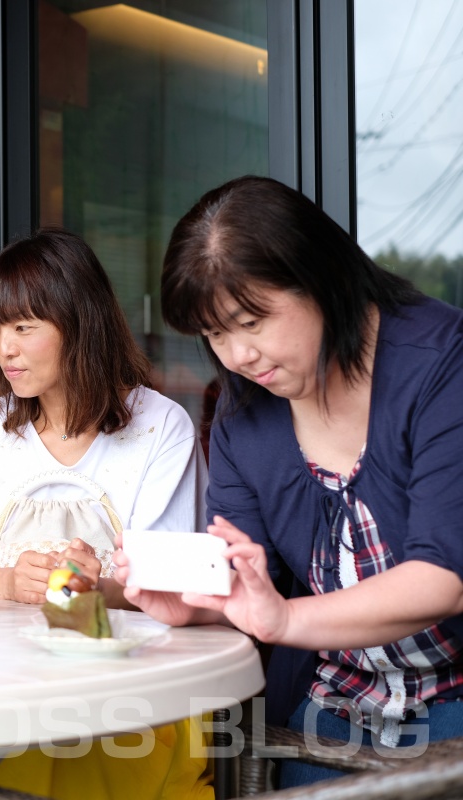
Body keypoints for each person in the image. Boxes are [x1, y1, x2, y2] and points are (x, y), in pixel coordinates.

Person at [118, 174, 463, 788]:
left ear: (321, 279)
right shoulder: (242, 417)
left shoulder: (441, 364)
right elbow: (257, 586)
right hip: (325, 714)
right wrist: (195, 606)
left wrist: (283, 622)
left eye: (252, 321)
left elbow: (443, 579)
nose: (237, 355)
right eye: (215, 334)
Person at [0, 228, 210, 799]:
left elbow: (175, 584)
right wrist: (10, 581)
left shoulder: (160, 427)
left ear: (80, 323)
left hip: (129, 688)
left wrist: (98, 588)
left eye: (23, 327)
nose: (3, 349)